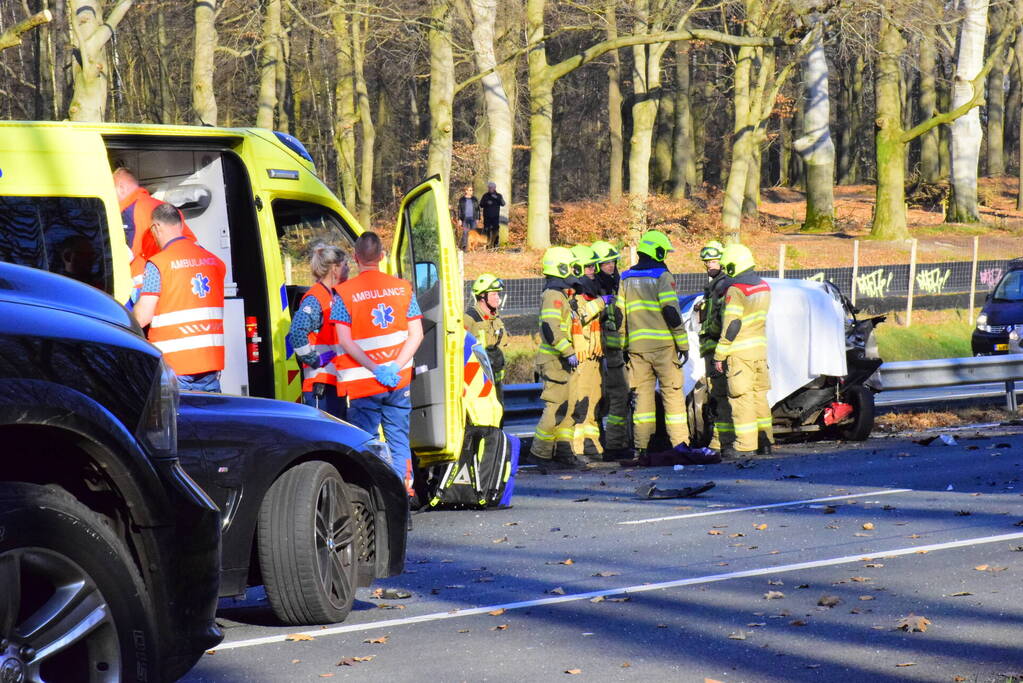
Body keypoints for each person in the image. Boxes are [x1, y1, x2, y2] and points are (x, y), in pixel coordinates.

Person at [333, 232, 424, 492]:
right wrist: (394, 366)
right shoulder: (403, 289)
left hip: (364, 383)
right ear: (382, 256)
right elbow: (416, 334)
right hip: (398, 381)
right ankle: (402, 494)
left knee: (366, 442)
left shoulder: (344, 294)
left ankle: (375, 495)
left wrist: (375, 368)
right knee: (399, 439)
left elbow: (345, 341)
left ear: (355, 258)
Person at [133, 203, 226, 392]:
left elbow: (142, 317)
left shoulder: (158, 265)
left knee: (175, 412)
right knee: (208, 412)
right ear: (181, 225)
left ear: (156, 227)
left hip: (174, 365)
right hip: (210, 364)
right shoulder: (215, 262)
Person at [619, 229, 690, 460]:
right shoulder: (662, 276)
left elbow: (619, 316)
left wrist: (623, 345)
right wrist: (683, 344)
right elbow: (671, 311)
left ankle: (642, 449)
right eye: (664, 252)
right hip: (663, 348)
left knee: (642, 400)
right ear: (657, 252)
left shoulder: (625, 278)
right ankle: (680, 445)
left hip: (637, 349)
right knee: (673, 396)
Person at [714, 243, 773, 458]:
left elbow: (733, 324)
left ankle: (745, 446)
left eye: (726, 267)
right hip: (760, 351)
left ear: (734, 265)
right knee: (759, 397)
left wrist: (720, 354)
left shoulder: (736, 290)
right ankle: (765, 441)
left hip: (740, 353)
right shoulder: (764, 286)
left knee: (742, 399)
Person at [528, 246, 583, 470]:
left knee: (566, 408)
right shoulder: (553, 295)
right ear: (560, 268)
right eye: (569, 266)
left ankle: (562, 452)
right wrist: (568, 352)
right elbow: (550, 328)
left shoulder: (560, 294)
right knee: (554, 407)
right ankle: (539, 454)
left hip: (560, 360)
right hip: (554, 360)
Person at [114, 167, 195, 303]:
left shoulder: (129, 211)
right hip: (175, 283)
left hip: (143, 287)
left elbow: (123, 255)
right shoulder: (166, 208)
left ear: (121, 188)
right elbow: (190, 243)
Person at [288, 243, 350, 419]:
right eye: (345, 265)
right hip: (321, 385)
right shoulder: (315, 298)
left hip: (333, 381)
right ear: (334, 269)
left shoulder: (332, 296)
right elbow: (297, 332)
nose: (348, 269)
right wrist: (313, 359)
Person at [567, 245, 608, 460]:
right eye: (589, 267)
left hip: (593, 354)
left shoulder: (591, 293)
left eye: (594, 266)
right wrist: (601, 303)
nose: (594, 270)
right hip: (580, 356)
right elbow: (579, 316)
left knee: (594, 399)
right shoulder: (571, 294)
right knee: (580, 402)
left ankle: (592, 444)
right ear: (577, 269)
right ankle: (577, 447)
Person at [591, 240, 630, 459]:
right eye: (606, 263)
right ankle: (601, 445)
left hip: (616, 352)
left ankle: (615, 443)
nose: (611, 266)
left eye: (613, 262)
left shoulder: (618, 283)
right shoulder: (591, 288)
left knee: (619, 396)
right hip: (599, 351)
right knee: (600, 398)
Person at [696, 240, 732, 452]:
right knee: (717, 395)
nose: (710, 265)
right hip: (712, 349)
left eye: (714, 261)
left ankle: (722, 442)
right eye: (707, 262)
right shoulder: (714, 286)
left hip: (718, 350)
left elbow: (720, 321)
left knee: (720, 395)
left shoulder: (722, 285)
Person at [464, 273, 509, 401]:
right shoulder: (469, 318)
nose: (498, 298)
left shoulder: (495, 317)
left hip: (496, 381)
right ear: (482, 296)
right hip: (477, 385)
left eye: (498, 294)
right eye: (493, 294)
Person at [479, 182, 505, 249]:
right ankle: (487, 245)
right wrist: (486, 203)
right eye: (489, 187)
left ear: (494, 188)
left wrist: (496, 198)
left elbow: (503, 204)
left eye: (491, 187)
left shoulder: (499, 195)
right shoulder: (485, 195)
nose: (490, 189)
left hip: (495, 217)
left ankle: (495, 245)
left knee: (495, 231)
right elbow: (481, 205)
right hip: (487, 217)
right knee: (487, 230)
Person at [457, 186, 480, 251]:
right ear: (466, 191)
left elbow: (477, 209)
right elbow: (459, 209)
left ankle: (473, 247)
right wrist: (459, 219)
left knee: (473, 233)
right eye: (470, 190)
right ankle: (464, 247)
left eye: (471, 190)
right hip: (465, 219)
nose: (471, 191)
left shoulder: (474, 199)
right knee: (465, 232)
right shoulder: (462, 199)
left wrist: (478, 218)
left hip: (473, 219)